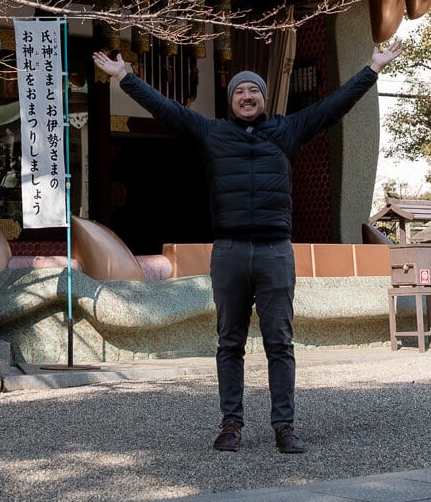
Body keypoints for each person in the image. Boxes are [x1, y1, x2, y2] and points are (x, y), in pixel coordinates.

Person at [91, 36, 402, 454]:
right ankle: (231, 424)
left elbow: (334, 106)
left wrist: (373, 69)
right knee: (229, 342)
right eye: (239, 91)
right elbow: (167, 110)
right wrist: (126, 77)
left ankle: (285, 427)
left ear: (264, 97)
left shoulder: (287, 130)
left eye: (254, 89)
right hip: (231, 250)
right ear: (230, 101)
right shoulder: (213, 133)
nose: (247, 95)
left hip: (275, 250)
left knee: (280, 343)